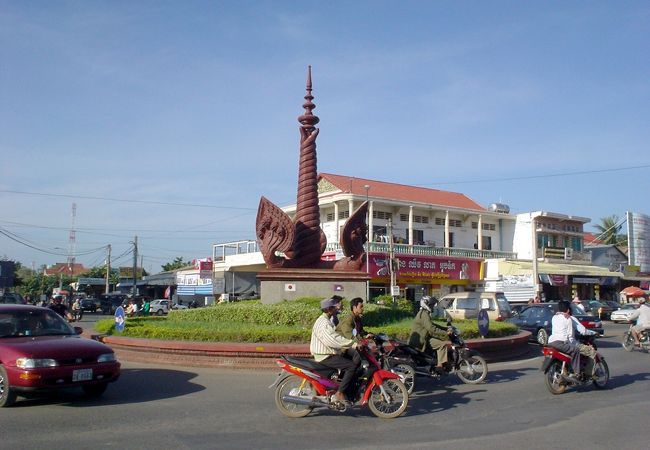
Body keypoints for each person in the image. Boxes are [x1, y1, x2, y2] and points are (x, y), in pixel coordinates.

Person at [310, 297, 360, 404]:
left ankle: (344, 387)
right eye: (333, 308)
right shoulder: (324, 323)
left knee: (349, 359)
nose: (335, 309)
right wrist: (351, 343)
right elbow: (333, 339)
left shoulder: (326, 320)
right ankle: (340, 393)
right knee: (351, 366)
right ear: (328, 309)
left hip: (329, 352)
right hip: (325, 355)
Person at [548, 300, 596, 377]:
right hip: (563, 342)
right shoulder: (570, 318)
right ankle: (579, 372)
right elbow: (581, 332)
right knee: (589, 351)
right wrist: (594, 333)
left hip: (551, 342)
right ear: (568, 310)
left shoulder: (554, 317)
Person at [408, 296, 451, 373]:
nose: (433, 306)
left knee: (439, 340)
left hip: (423, 337)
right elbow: (431, 328)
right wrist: (445, 333)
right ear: (426, 305)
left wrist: (445, 328)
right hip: (421, 340)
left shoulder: (424, 313)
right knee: (442, 344)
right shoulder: (424, 314)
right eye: (431, 305)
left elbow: (432, 325)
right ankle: (439, 366)